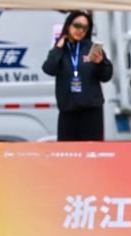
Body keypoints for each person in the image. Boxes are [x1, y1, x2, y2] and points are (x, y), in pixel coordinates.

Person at [41, 11, 113, 141]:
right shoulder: (60, 49)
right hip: (68, 111)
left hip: (91, 111)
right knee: (68, 153)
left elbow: (107, 76)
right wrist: (59, 46)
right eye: (77, 26)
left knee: (92, 152)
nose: (80, 30)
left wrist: (100, 63)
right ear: (68, 25)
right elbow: (48, 69)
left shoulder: (91, 48)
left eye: (85, 28)